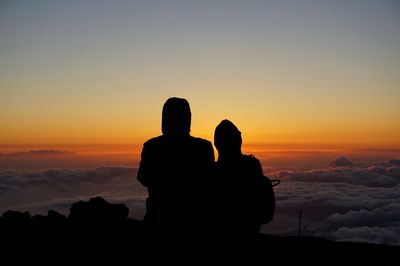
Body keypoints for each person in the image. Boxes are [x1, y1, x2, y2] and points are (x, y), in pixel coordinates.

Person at [137, 97, 215, 239]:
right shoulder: (203, 148)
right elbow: (210, 182)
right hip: (195, 225)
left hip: (158, 223)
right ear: (188, 119)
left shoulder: (151, 147)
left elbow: (143, 177)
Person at [211, 119, 275, 237]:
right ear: (238, 140)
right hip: (248, 233)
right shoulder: (252, 166)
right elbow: (265, 215)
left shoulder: (211, 171)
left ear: (217, 144)